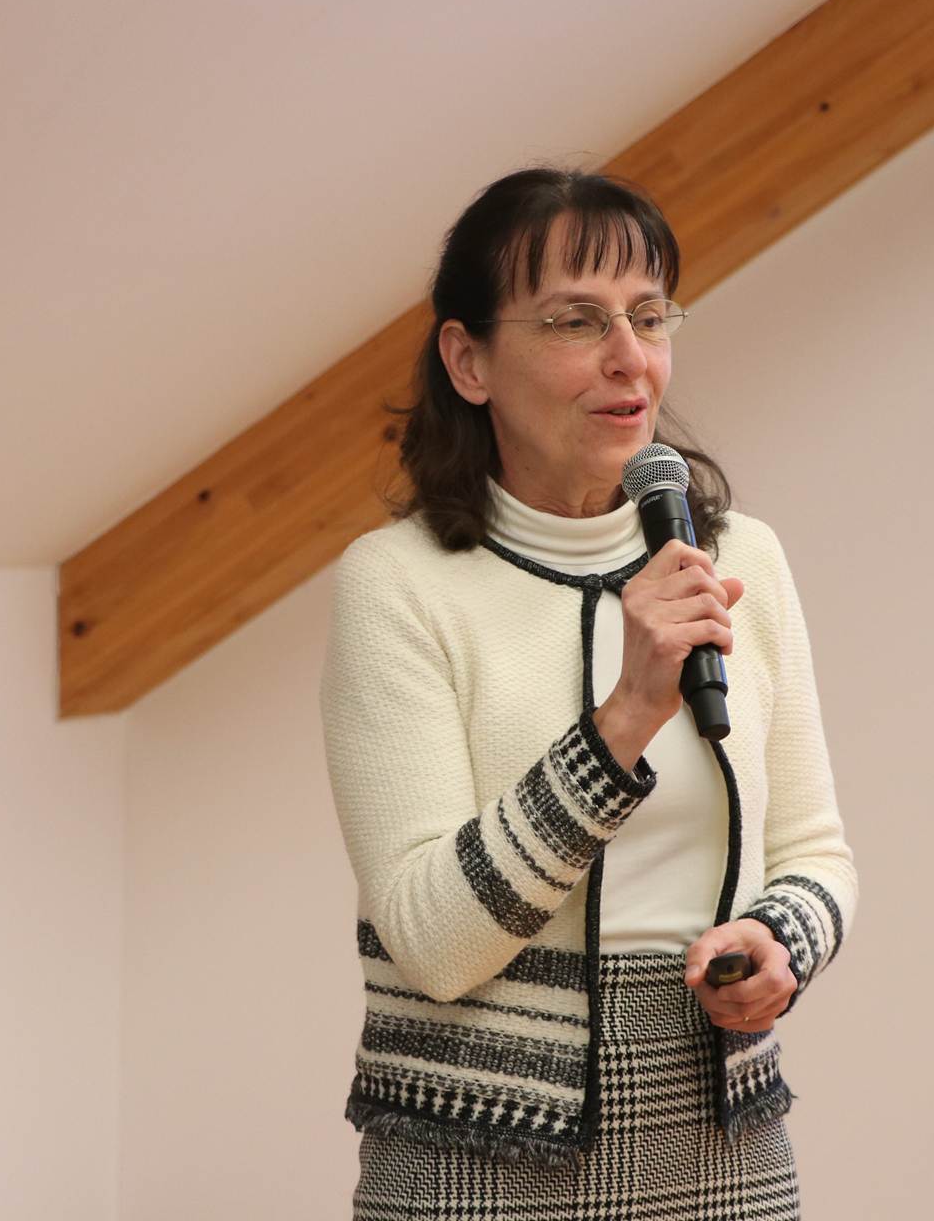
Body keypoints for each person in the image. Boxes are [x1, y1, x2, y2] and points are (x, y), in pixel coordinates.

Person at [321, 166, 857, 1220]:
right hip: (475, 1156)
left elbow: (816, 849)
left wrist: (780, 942)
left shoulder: (741, 559)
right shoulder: (397, 585)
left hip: (724, 1148)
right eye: (576, 320)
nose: (629, 357)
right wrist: (623, 719)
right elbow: (430, 941)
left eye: (648, 316)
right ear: (469, 359)